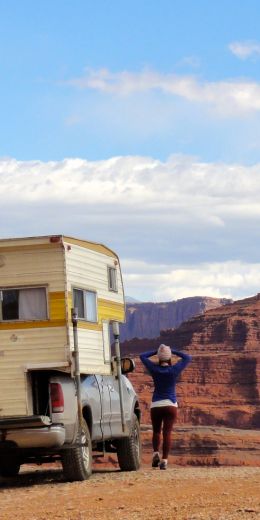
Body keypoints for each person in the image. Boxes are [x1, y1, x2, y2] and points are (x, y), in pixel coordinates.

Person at [140, 344, 192, 470]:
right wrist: (172, 351)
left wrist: (157, 352)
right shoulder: (174, 370)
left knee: (157, 431)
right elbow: (187, 357)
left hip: (156, 404)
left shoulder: (154, 369)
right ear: (169, 359)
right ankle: (164, 460)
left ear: (159, 358)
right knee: (167, 433)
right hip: (170, 404)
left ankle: (155, 453)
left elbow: (142, 356)